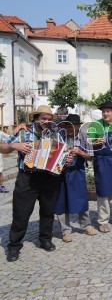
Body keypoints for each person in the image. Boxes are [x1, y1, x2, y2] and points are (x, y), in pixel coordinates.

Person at [1, 105, 62, 262]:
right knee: (21, 213)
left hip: (49, 178)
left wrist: (66, 158)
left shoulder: (56, 134)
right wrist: (14, 145)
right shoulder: (23, 132)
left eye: (49, 119)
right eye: (43, 118)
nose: (46, 121)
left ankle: (45, 239)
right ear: (36, 118)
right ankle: (14, 246)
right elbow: (3, 147)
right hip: (27, 178)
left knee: (48, 211)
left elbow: (63, 153)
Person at [55, 114, 97, 243]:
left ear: (78, 126)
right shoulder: (60, 136)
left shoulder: (85, 137)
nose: (69, 128)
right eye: (67, 125)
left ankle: (86, 225)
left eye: (72, 125)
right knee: (62, 201)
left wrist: (81, 152)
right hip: (61, 172)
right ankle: (66, 231)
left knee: (82, 198)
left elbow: (91, 156)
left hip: (78, 171)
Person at [87, 101, 112, 233]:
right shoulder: (95, 125)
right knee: (103, 191)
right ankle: (103, 221)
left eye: (108, 111)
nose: (105, 113)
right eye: (104, 111)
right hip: (102, 161)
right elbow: (87, 144)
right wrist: (96, 141)